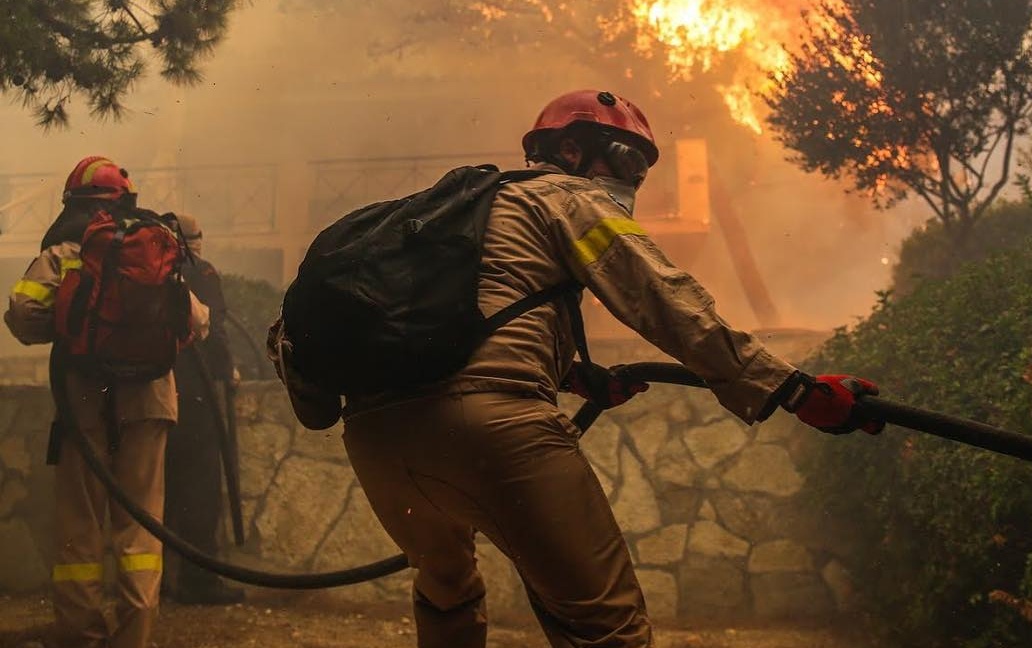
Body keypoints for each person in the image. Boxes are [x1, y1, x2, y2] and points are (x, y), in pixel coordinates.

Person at [269, 90, 884, 648]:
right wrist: (793, 389)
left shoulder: (455, 214)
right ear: (570, 148)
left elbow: (459, 318)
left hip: (377, 443)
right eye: (626, 160)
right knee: (607, 629)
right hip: (490, 430)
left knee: (448, 591)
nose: (633, 179)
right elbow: (662, 299)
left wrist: (571, 376)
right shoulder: (570, 198)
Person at [5, 156, 210, 648]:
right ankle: (133, 636)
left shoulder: (65, 251)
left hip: (84, 400)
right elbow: (198, 322)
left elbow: (22, 312)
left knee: (81, 525)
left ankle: (82, 636)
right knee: (140, 527)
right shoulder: (153, 246)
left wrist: (70, 327)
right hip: (150, 401)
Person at [163, 213, 245, 605]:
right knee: (199, 490)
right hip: (195, 398)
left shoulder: (147, 272)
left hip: (152, 393)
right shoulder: (202, 272)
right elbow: (216, 332)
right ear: (194, 240)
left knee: (155, 492)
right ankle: (200, 583)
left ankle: (157, 585)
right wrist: (228, 371)